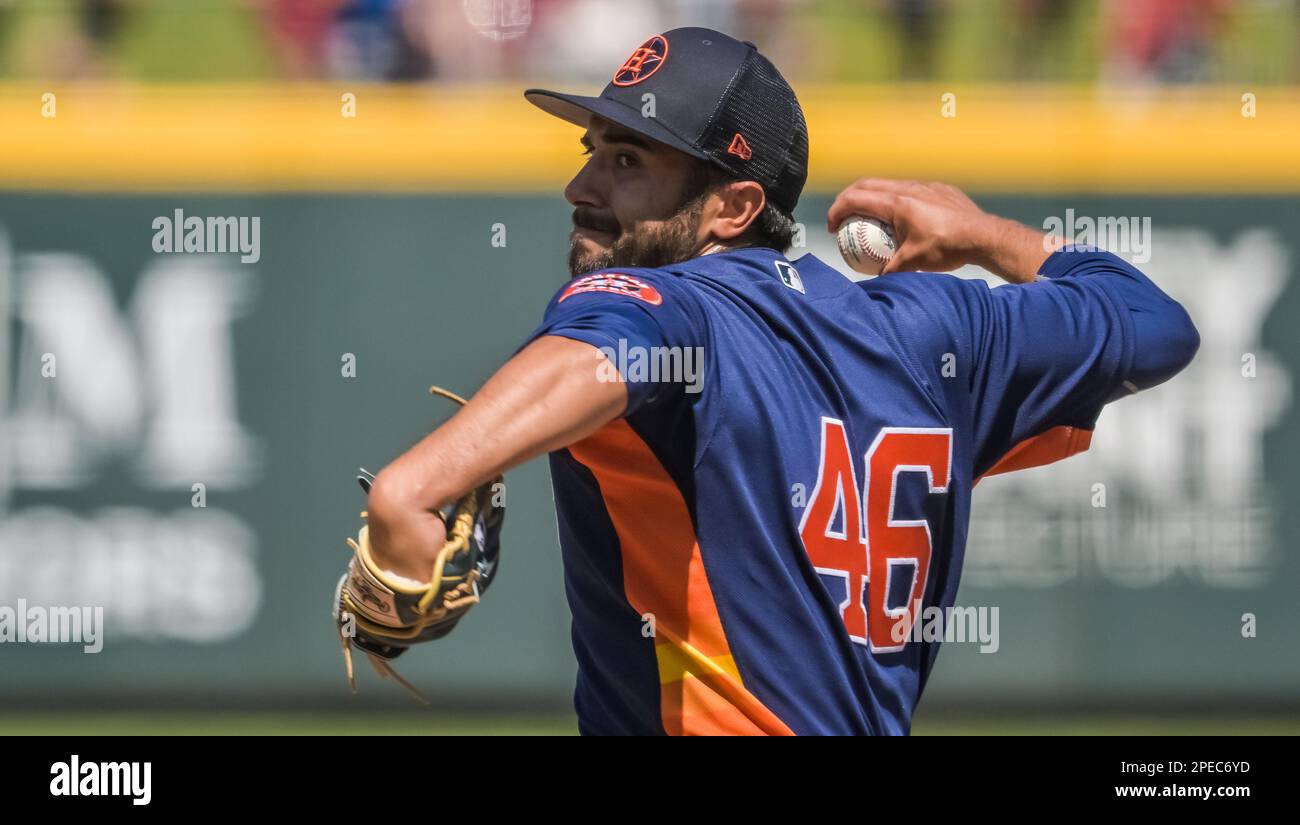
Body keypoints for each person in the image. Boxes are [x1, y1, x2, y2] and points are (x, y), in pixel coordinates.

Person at [361, 27, 1199, 735]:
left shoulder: (668, 303)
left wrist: (422, 482)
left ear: (731, 208)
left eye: (626, 160)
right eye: (592, 152)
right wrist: (985, 236)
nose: (582, 187)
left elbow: (604, 346)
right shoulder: (940, 330)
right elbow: (1154, 322)